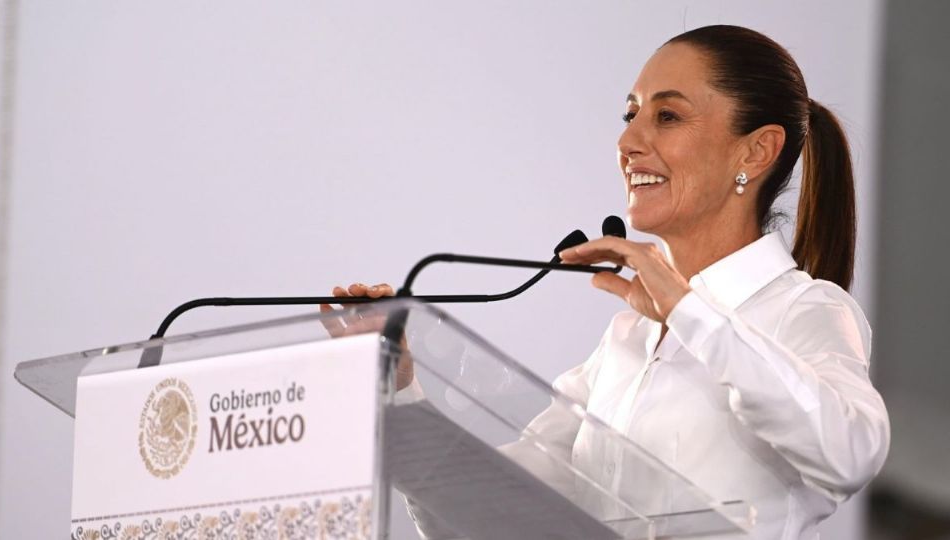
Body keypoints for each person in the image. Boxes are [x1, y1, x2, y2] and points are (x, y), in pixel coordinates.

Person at [325, 24, 890, 540]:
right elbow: (489, 517)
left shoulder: (805, 310)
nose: (629, 143)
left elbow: (851, 453)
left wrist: (689, 311)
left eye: (667, 117)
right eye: (631, 115)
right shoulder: (627, 338)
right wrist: (396, 391)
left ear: (756, 150)